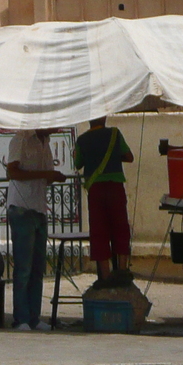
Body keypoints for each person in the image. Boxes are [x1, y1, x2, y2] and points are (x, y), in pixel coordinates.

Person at [5, 129, 65, 331]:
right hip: (22, 208)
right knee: (23, 268)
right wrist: (46, 174)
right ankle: (20, 318)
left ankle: (34, 317)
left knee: (38, 268)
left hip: (39, 207)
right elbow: (12, 172)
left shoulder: (45, 143)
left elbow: (45, 177)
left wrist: (51, 177)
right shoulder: (21, 139)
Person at [72, 116, 134, 284]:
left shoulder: (82, 140)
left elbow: (78, 163)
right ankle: (122, 270)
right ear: (104, 118)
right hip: (115, 185)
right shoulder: (115, 134)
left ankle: (105, 276)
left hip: (96, 188)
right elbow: (129, 156)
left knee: (99, 230)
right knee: (120, 227)